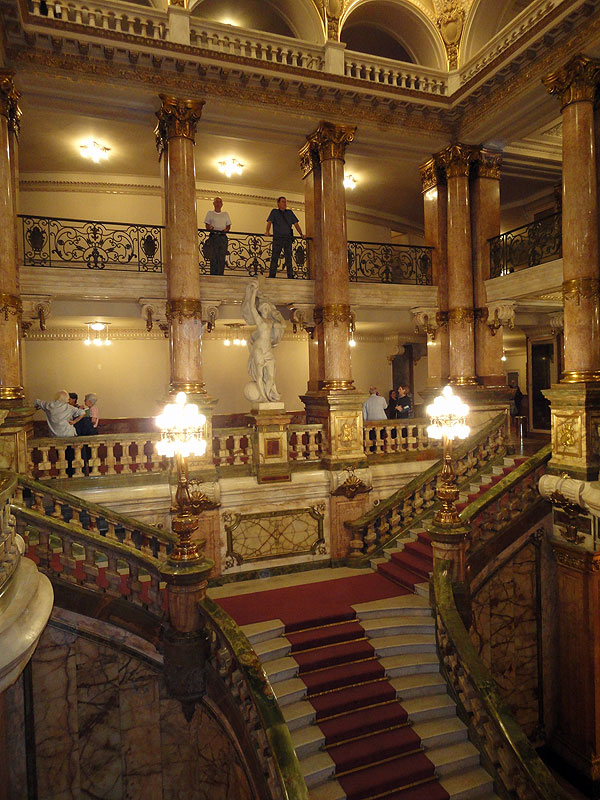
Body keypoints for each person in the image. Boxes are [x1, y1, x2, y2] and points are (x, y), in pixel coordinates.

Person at [241, 280, 285, 402]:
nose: (265, 309)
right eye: (263, 308)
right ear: (260, 309)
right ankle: (264, 398)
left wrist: (278, 316)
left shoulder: (271, 322)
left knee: (270, 376)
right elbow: (251, 307)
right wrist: (254, 292)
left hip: (268, 350)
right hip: (259, 348)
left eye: (267, 308)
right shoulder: (259, 320)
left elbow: (283, 325)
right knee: (260, 374)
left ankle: (269, 396)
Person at [266, 196, 304, 279]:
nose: (285, 203)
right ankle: (272, 275)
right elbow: (269, 222)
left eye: (285, 202)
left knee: (288, 257)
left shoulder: (289, 212)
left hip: (288, 238)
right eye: (283, 202)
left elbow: (296, 224)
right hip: (278, 238)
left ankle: (290, 275)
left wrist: (301, 234)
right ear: (278, 203)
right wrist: (267, 231)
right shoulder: (274, 212)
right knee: (275, 256)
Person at [204, 197, 231, 276]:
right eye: (216, 202)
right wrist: (209, 227)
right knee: (213, 256)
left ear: (222, 204)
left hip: (222, 236)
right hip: (213, 236)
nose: (218, 204)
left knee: (222, 256)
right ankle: (213, 274)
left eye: (219, 202)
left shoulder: (225, 214)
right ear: (213, 203)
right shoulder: (210, 213)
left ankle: (220, 274)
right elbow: (207, 225)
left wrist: (226, 229)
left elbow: (228, 226)